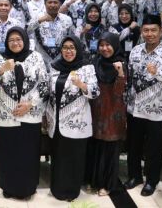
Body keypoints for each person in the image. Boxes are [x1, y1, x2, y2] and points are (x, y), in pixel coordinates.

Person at [0, 27, 46, 199]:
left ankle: (28, 187)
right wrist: (1, 69)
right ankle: (8, 186)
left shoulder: (35, 57)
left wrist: (30, 104)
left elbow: (44, 84)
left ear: (25, 40)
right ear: (7, 42)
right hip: (5, 115)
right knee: (7, 153)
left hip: (30, 114)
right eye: (11, 39)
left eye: (18, 39)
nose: (15, 42)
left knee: (28, 153)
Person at [124, 14, 162, 196]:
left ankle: (152, 181)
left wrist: (158, 73)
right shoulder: (135, 51)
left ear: (161, 31)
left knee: (154, 148)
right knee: (134, 146)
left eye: (153, 30)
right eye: (146, 30)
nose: (149, 34)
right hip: (135, 108)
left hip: (157, 110)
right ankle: (135, 176)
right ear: (141, 32)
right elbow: (131, 80)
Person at [44, 35, 99, 201]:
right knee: (58, 157)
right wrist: (45, 115)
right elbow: (48, 93)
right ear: (61, 50)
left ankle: (71, 191)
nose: (68, 51)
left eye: (72, 48)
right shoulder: (54, 67)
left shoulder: (87, 68)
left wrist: (81, 85)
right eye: (65, 48)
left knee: (74, 158)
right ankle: (57, 189)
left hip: (77, 122)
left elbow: (95, 92)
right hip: (56, 121)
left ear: (78, 49)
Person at [86, 32, 126, 196]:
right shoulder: (95, 62)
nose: (104, 48)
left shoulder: (122, 63)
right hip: (96, 111)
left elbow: (119, 92)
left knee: (110, 150)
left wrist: (121, 74)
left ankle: (108, 184)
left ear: (115, 45)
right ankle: (94, 181)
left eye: (108, 44)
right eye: (101, 45)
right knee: (95, 147)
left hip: (113, 113)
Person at [27, 0, 74, 65]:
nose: (52, 5)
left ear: (60, 4)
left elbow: (71, 38)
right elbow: (27, 31)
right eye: (50, 2)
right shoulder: (37, 17)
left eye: (55, 2)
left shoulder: (67, 19)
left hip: (61, 60)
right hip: (41, 60)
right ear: (45, 4)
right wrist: (39, 21)